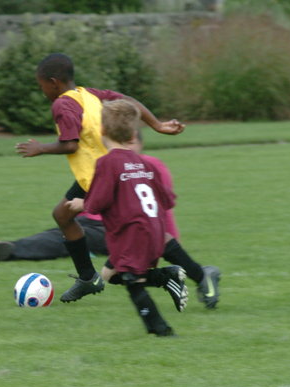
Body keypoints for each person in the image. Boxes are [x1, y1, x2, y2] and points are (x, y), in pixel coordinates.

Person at [0, 134, 222, 309]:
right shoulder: (112, 164)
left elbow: (160, 211)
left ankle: (7, 249)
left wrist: (166, 243)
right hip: (101, 224)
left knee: (60, 241)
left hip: (122, 229)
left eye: (131, 141)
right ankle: (175, 276)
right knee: (91, 260)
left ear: (138, 142)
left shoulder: (148, 166)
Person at [15, 53, 185, 303]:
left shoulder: (62, 104)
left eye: (41, 86)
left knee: (133, 232)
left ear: (53, 82)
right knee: (62, 215)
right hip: (99, 173)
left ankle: (189, 273)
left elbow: (70, 144)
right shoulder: (89, 94)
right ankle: (88, 278)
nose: (42, 91)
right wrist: (157, 124)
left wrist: (40, 148)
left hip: (102, 176)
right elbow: (129, 102)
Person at [67, 99, 186, 337]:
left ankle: (161, 330)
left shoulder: (106, 163)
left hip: (132, 233)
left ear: (101, 130)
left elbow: (98, 202)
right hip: (156, 231)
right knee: (114, 275)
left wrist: (82, 204)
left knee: (132, 281)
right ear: (133, 135)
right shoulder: (143, 162)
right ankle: (168, 279)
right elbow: (167, 199)